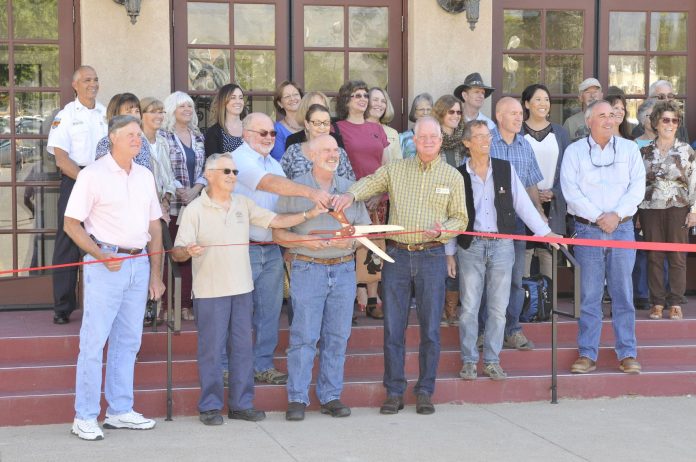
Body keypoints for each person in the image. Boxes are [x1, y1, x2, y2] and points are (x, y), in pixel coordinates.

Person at [171, 152, 326, 426]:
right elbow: (178, 253)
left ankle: (241, 405)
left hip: (242, 289)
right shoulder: (194, 209)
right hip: (210, 292)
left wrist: (309, 213)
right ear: (209, 175)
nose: (232, 176)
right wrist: (187, 250)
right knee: (212, 351)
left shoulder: (243, 203)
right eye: (226, 171)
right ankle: (210, 407)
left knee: (243, 349)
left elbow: (275, 220)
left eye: (234, 172)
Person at [333, 116, 468, 415]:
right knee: (393, 329)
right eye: (423, 137)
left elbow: (461, 218)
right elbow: (371, 182)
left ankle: (425, 391)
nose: (429, 141)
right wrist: (349, 194)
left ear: (440, 140)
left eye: (434, 136)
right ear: (414, 141)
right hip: (397, 257)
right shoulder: (396, 170)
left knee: (431, 330)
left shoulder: (452, 177)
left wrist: (443, 232)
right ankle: (393, 391)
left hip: (432, 256)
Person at [63, 115, 164, 440]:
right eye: (131, 134)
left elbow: (154, 227)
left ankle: (120, 410)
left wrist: (156, 274)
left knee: (128, 341)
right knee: (94, 342)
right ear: (113, 138)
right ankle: (85, 416)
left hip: (139, 264)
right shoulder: (93, 175)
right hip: (106, 263)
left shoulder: (145, 175)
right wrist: (99, 254)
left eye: (139, 135)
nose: (138, 139)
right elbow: (71, 224)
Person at [451, 120, 559, 381]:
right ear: (467, 143)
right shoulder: (458, 175)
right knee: (469, 307)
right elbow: (451, 216)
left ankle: (491, 360)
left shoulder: (504, 169)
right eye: (478, 136)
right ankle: (468, 360)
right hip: (471, 247)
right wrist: (448, 252)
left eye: (487, 135)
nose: (485, 140)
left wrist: (546, 233)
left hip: (502, 245)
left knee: (499, 308)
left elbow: (523, 205)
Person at [274, 135, 371, 421]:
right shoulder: (296, 189)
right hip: (308, 267)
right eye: (325, 150)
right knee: (304, 336)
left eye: (335, 149)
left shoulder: (349, 190)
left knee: (337, 337)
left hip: (343, 269)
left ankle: (331, 396)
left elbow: (365, 232)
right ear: (311, 155)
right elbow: (277, 232)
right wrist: (304, 243)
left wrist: (351, 244)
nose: (332, 154)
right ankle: (297, 398)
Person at [232, 112, 332, 386]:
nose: (268, 138)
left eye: (272, 133)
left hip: (271, 246)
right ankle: (231, 369)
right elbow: (268, 184)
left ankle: (262, 365)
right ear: (246, 133)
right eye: (261, 133)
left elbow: (285, 203)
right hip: (242, 247)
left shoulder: (275, 163)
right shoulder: (239, 158)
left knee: (269, 311)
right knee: (238, 312)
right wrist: (311, 193)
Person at [561, 100, 646, 375]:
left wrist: (615, 215)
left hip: (622, 228)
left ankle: (627, 352)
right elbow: (570, 191)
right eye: (602, 116)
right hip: (587, 229)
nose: (609, 120)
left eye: (612, 115)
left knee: (623, 292)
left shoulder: (630, 149)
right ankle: (587, 353)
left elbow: (637, 188)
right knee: (590, 294)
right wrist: (600, 216)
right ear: (589, 121)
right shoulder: (574, 152)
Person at [482, 96, 545, 352]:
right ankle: (484, 330)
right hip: (489, 223)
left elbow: (531, 184)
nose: (520, 118)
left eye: (521, 113)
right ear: (499, 116)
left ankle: (512, 329)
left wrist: (539, 211)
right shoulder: (486, 142)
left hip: (517, 223)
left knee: (515, 280)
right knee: (488, 280)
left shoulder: (525, 146)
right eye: (514, 113)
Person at [47, 65, 107, 325]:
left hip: (105, 181)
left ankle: (102, 301)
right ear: (75, 85)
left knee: (106, 238)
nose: (92, 84)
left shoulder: (107, 113)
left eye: (95, 79)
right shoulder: (66, 115)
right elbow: (61, 159)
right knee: (68, 243)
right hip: (76, 179)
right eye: (86, 80)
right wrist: (87, 182)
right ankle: (63, 306)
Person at [336, 80, 391, 318]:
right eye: (357, 95)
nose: (363, 99)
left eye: (365, 95)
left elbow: (387, 166)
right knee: (350, 245)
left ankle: (371, 297)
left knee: (374, 247)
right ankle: (350, 296)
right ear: (346, 100)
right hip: (351, 197)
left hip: (377, 198)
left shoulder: (377, 129)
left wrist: (380, 192)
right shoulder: (337, 128)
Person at [638, 100, 696, 321]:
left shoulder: (686, 150)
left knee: (677, 257)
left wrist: (694, 211)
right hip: (650, 209)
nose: (670, 124)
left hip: (678, 209)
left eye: (675, 120)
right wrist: (636, 214)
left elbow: (695, 182)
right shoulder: (644, 151)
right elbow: (637, 184)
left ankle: (675, 303)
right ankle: (657, 303)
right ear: (655, 122)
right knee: (654, 256)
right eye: (666, 120)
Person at [161, 91, 206, 321]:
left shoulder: (198, 136)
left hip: (195, 203)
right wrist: (180, 190)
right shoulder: (164, 137)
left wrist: (195, 190)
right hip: (174, 205)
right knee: (173, 255)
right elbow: (164, 168)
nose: (187, 109)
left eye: (190, 106)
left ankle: (187, 304)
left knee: (190, 253)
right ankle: (170, 305)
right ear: (171, 110)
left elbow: (205, 169)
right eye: (182, 106)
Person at [520, 84, 570, 278]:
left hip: (552, 203)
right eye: (538, 99)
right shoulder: (518, 133)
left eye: (547, 99)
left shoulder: (560, 133)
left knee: (548, 254)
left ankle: (548, 306)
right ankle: (523, 305)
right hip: (524, 203)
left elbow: (567, 170)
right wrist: (532, 196)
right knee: (524, 255)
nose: (543, 104)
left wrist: (554, 193)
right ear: (526, 103)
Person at [280, 104, 354, 181]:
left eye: (326, 123)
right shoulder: (293, 151)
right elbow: (280, 182)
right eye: (317, 123)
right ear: (307, 124)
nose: (322, 127)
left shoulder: (339, 153)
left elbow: (350, 186)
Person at [140, 97, 176, 223]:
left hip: (163, 206)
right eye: (153, 112)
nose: (159, 116)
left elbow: (169, 174)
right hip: (143, 207)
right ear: (141, 115)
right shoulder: (136, 142)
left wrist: (167, 197)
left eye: (161, 112)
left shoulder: (163, 141)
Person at [95, 93, 151, 169]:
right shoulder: (105, 143)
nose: (135, 116)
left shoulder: (143, 141)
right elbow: (103, 172)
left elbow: (147, 171)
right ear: (116, 115)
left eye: (137, 111)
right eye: (129, 112)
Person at [204, 83, 247, 157]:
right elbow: (213, 164)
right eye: (233, 98)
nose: (238, 101)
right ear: (223, 101)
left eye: (241, 98)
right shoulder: (213, 132)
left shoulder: (250, 127)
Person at [270, 81, 304, 161]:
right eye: (287, 96)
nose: (292, 98)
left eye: (295, 94)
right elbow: (279, 161)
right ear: (280, 103)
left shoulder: (312, 123)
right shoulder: (277, 130)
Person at [366, 87, 402, 162]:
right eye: (375, 100)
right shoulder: (356, 128)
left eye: (383, 101)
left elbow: (398, 163)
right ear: (366, 102)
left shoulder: (392, 133)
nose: (379, 104)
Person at [432, 95, 465, 168]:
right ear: (441, 113)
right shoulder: (432, 139)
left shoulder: (465, 137)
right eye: (451, 112)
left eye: (458, 112)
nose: (456, 115)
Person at [400, 93, 433, 158]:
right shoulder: (403, 138)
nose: (425, 113)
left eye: (428, 109)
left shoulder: (437, 136)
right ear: (414, 112)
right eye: (421, 109)